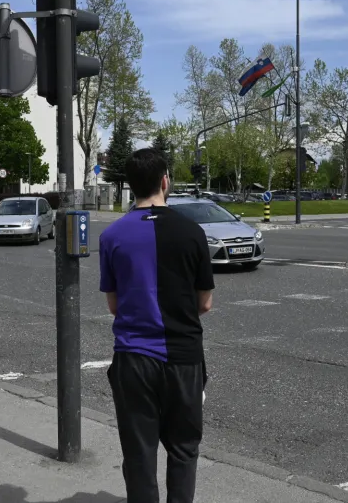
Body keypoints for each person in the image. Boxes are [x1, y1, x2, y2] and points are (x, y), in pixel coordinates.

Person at [98, 148, 215, 503]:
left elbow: (115, 306)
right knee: (183, 449)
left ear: (131, 186)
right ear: (165, 181)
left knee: (139, 454)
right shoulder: (193, 232)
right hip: (183, 358)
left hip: (134, 360)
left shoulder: (112, 236)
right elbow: (205, 303)